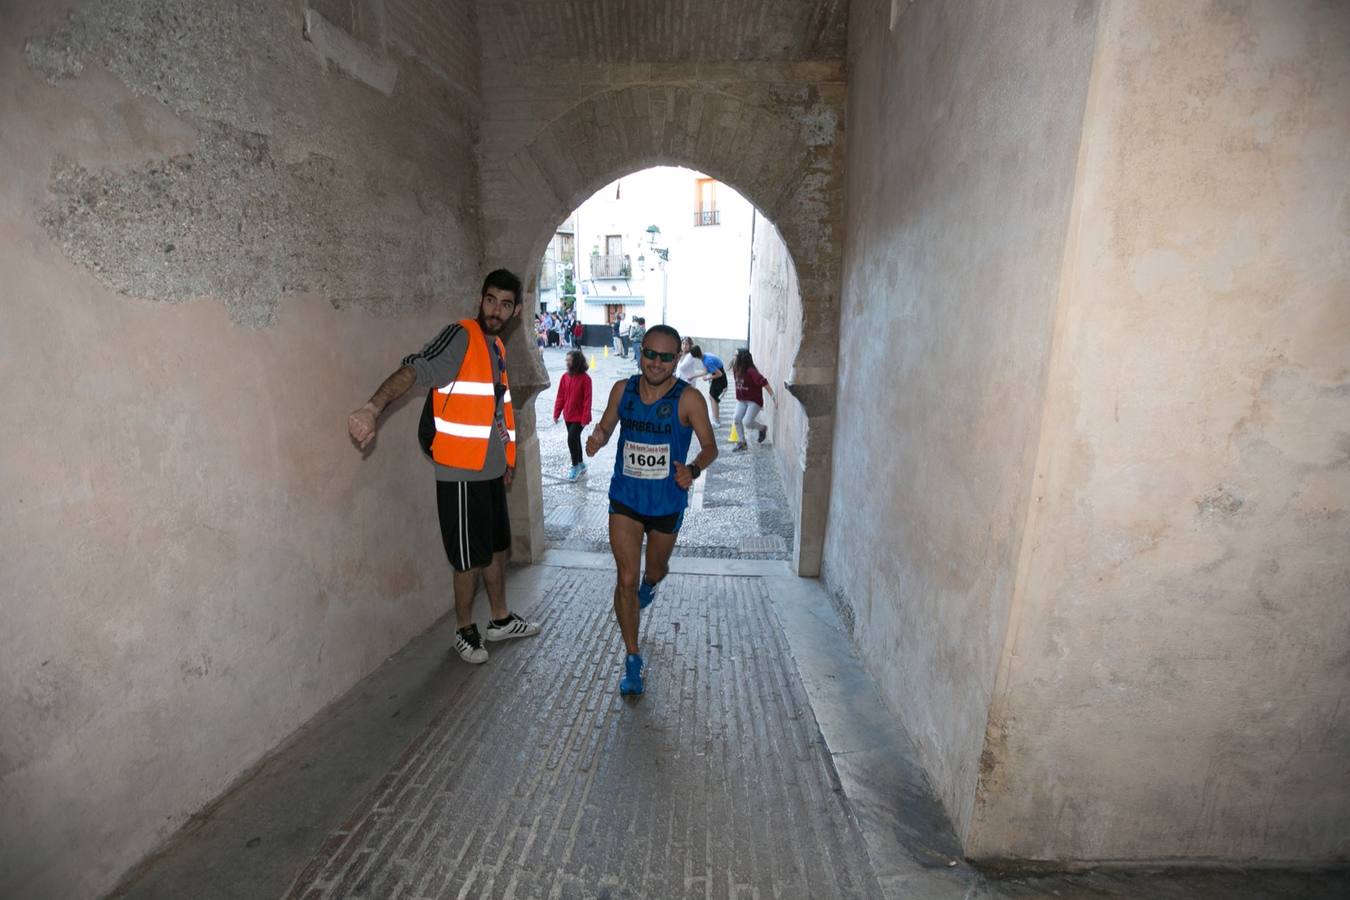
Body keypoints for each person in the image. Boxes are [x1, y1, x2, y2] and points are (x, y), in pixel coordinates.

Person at [346, 269, 541, 665]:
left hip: (489, 471)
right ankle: (464, 629)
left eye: (505, 304)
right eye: (490, 300)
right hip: (461, 474)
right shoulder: (462, 336)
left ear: (516, 311)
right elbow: (416, 369)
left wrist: (506, 459)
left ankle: (500, 619)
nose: (495, 310)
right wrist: (372, 407)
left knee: (494, 549)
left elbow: (497, 412)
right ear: (480, 299)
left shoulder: (497, 350)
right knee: (467, 557)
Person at [585, 325, 718, 695]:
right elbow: (607, 426)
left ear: (677, 359)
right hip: (625, 499)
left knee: (654, 570)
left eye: (665, 357)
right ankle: (632, 657)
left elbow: (710, 447)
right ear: (640, 352)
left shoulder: (689, 399)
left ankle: (651, 584)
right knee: (625, 578)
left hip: (666, 503)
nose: (656, 363)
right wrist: (596, 439)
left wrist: (691, 470)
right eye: (650, 354)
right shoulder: (622, 390)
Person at [553, 349, 593, 481]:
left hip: (580, 417)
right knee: (575, 439)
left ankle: (575, 466)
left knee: (571, 439)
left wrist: (585, 418)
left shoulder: (586, 379)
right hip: (568, 416)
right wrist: (556, 413)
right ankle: (581, 463)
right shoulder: (564, 377)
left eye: (570, 360)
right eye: (567, 360)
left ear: (577, 361)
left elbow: (588, 400)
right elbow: (560, 396)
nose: (567, 362)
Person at [731, 348, 775, 451]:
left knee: (747, 422)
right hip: (742, 400)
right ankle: (742, 442)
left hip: (754, 401)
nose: (734, 357)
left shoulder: (751, 371)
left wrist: (773, 397)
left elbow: (764, 382)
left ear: (742, 358)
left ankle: (763, 428)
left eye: (736, 356)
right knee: (737, 419)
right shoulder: (736, 368)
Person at [700, 349, 727, 425]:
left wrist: (708, 378)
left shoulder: (707, 360)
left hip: (719, 379)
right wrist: (693, 376)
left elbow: (719, 374)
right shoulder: (705, 356)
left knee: (713, 398)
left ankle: (716, 421)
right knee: (712, 397)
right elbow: (705, 372)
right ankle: (715, 418)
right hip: (718, 379)